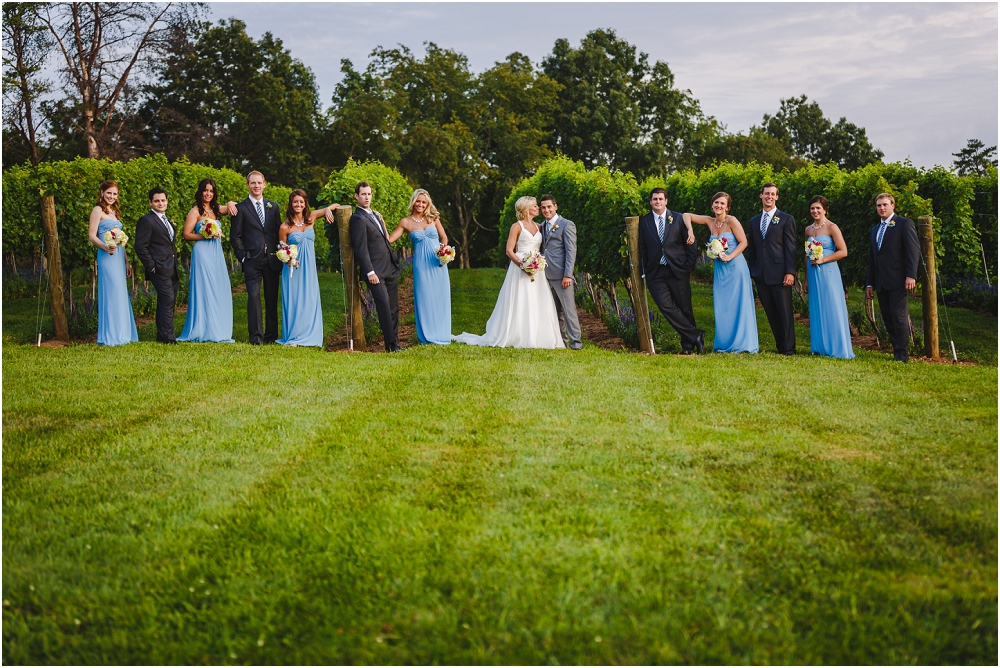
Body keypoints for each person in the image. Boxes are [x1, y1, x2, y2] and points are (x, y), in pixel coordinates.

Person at [453, 196, 565, 349]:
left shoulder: (539, 226)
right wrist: (522, 265)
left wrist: (536, 264)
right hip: (519, 266)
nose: (538, 208)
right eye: (535, 206)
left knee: (537, 299)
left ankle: (538, 335)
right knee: (520, 298)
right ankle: (517, 334)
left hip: (536, 267)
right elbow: (509, 250)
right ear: (526, 208)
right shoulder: (517, 226)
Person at [684, 192, 759, 353]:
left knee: (738, 304)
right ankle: (725, 343)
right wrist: (690, 231)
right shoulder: (710, 222)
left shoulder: (731, 221)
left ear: (727, 207)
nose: (719, 206)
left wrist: (730, 256)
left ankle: (743, 343)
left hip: (736, 267)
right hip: (721, 270)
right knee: (723, 305)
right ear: (712, 205)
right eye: (716, 202)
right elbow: (686, 215)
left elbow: (743, 242)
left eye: (722, 204)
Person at [638, 188, 704, 354]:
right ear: (650, 202)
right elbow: (642, 247)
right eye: (655, 199)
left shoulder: (678, 218)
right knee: (666, 306)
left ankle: (688, 346)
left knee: (684, 307)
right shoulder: (644, 221)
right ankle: (695, 334)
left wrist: (688, 266)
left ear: (666, 201)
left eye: (661, 199)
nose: (658, 202)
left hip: (678, 270)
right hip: (655, 272)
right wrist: (645, 268)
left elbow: (690, 242)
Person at [387, 189, 452, 345]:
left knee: (440, 296)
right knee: (425, 297)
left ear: (427, 204)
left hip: (438, 262)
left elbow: (443, 236)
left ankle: (442, 332)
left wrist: (444, 251)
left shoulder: (433, 219)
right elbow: (389, 239)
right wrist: (381, 222)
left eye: (424, 202)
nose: (421, 204)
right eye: (418, 201)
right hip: (421, 265)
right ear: (413, 202)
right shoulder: (405, 222)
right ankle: (427, 335)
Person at [276, 190, 337, 347]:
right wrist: (289, 261)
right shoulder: (285, 227)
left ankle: (311, 335)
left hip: (309, 268)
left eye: (301, 202)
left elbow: (332, 207)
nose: (298, 205)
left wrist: (329, 209)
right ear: (291, 204)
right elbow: (281, 249)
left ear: (305, 204)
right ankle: (294, 337)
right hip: (292, 270)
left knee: (309, 299)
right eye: (295, 202)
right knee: (295, 301)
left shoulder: (311, 218)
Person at [177, 178, 234, 343]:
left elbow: (234, 206)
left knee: (217, 288)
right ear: (200, 192)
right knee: (204, 288)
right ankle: (203, 328)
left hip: (216, 253)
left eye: (211, 191)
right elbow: (186, 235)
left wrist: (230, 202)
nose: (208, 193)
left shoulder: (217, 209)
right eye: (205, 190)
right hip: (202, 252)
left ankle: (217, 328)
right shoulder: (195, 211)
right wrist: (205, 235)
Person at [229, 171, 282, 345]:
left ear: (264, 184)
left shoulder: (273, 207)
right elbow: (235, 236)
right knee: (253, 297)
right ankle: (256, 337)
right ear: (247, 185)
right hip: (251, 259)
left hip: (272, 259)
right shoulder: (241, 208)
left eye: (259, 183)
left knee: (271, 298)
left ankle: (271, 336)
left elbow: (276, 233)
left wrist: (281, 253)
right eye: (253, 183)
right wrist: (243, 257)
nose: (256, 186)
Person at [865, 192, 919, 362]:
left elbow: (913, 251)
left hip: (899, 280)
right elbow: (873, 259)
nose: (882, 208)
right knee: (888, 319)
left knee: (898, 317)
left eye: (885, 205)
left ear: (892, 205)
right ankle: (897, 349)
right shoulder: (875, 230)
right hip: (881, 282)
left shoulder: (904, 224)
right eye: (879, 205)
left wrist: (911, 275)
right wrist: (869, 283)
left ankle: (902, 355)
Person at [745, 182, 797, 355]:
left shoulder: (786, 219)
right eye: (766, 193)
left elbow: (790, 248)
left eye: (772, 194)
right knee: (771, 313)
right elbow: (752, 249)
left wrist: (790, 272)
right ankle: (780, 345)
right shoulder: (753, 222)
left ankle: (789, 348)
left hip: (781, 273)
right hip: (761, 274)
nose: (769, 197)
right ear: (761, 195)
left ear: (777, 197)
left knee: (785, 312)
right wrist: (753, 270)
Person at [350, 181, 402, 352]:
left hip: (389, 267)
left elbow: (384, 239)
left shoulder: (375, 215)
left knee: (393, 307)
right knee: (384, 306)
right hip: (375, 271)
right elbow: (360, 248)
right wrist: (370, 271)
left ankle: (395, 342)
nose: (367, 197)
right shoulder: (357, 219)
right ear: (356, 196)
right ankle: (391, 344)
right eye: (363, 194)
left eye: (369, 194)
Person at [803, 196, 855, 359]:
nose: (815, 211)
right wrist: (805, 279)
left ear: (825, 209)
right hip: (813, 273)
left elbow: (843, 251)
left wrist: (823, 259)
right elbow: (806, 255)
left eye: (818, 208)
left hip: (829, 272)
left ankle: (838, 348)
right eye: (812, 208)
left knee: (832, 307)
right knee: (817, 308)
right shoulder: (808, 230)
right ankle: (820, 346)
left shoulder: (832, 227)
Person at [88, 180, 138, 346]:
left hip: (118, 257)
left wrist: (126, 262)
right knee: (111, 292)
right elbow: (92, 235)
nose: (111, 196)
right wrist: (105, 247)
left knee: (120, 292)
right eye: (108, 192)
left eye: (114, 193)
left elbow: (120, 240)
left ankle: (123, 332)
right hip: (106, 256)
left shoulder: (115, 213)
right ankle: (111, 335)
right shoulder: (97, 210)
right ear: (102, 192)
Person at [135, 187, 180, 344]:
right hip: (159, 268)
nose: (160, 203)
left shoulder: (167, 221)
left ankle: (162, 336)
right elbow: (140, 246)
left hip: (172, 267)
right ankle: (168, 338)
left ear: (167, 201)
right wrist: (151, 266)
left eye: (163, 200)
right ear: (150, 203)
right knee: (167, 299)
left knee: (168, 301)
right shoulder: (146, 220)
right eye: (157, 201)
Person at [539, 194, 583, 350]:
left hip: (561, 275)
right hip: (544, 275)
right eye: (543, 207)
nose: (546, 210)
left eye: (549, 206)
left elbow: (571, 251)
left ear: (555, 206)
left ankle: (576, 343)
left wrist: (567, 275)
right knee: (555, 311)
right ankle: (561, 342)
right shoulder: (541, 226)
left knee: (568, 310)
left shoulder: (566, 224)